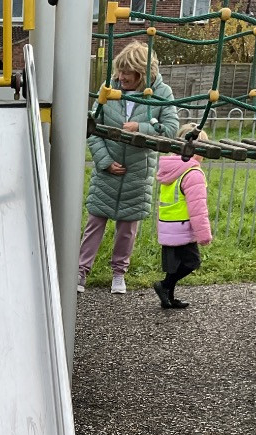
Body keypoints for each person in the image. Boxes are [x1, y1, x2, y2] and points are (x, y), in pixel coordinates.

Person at [78, 41, 179, 296]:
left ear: (142, 74)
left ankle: (119, 273)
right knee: (95, 223)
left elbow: (170, 130)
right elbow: (92, 127)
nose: (121, 77)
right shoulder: (109, 88)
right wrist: (104, 161)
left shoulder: (161, 93)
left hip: (137, 173)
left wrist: (141, 128)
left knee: (126, 229)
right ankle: (81, 271)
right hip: (107, 169)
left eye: (127, 73)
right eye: (119, 71)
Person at [153, 124, 213, 310]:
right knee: (192, 262)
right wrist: (204, 235)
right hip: (183, 226)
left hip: (168, 224)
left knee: (174, 264)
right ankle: (164, 285)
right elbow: (198, 209)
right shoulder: (192, 173)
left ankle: (168, 296)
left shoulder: (171, 167)